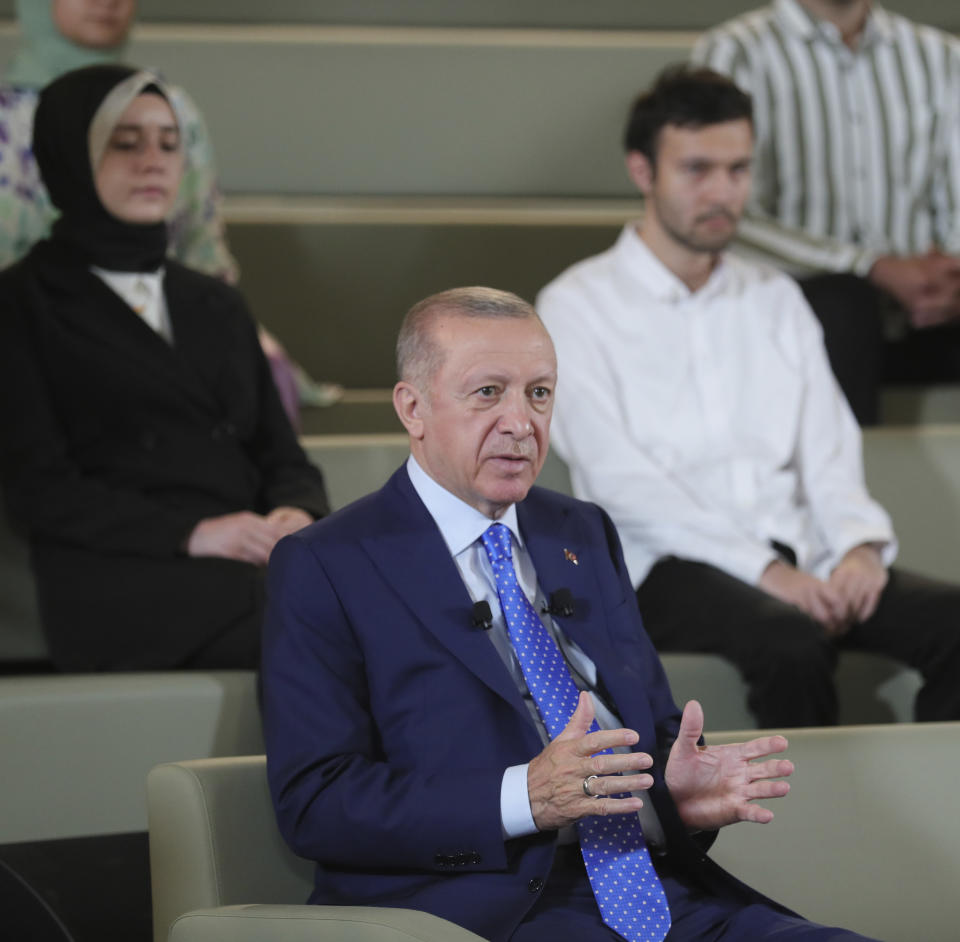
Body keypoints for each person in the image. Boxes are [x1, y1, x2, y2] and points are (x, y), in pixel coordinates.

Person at [262, 285, 879, 941]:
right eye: (487, 393)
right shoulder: (326, 564)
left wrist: (675, 798)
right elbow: (317, 803)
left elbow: (656, 732)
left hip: (660, 896)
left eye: (539, 393)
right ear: (412, 408)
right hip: (477, 912)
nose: (521, 422)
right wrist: (523, 796)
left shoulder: (581, 532)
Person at [536, 66, 960, 729]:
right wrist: (770, 575)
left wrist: (855, 549)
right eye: (698, 170)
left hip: (796, 547)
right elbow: (623, 485)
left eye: (737, 170)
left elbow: (828, 452)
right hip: (662, 566)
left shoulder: (776, 298)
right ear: (643, 171)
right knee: (788, 640)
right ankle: (807, 830)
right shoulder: (575, 306)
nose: (722, 193)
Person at [0, 64, 329, 672]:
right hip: (119, 578)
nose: (153, 161)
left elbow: (282, 456)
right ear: (68, 154)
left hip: (243, 564)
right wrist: (195, 533)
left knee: (374, 599)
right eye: (125, 143)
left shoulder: (215, 300)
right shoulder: (20, 304)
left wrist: (295, 513)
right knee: (319, 621)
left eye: (169, 143)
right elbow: (39, 489)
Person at [691, 0, 960, 425]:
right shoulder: (735, 52)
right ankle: (848, 487)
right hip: (801, 306)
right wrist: (871, 266)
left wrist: (948, 277)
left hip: (926, 306)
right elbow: (726, 214)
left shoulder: (942, 57)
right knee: (843, 306)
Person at [0, 0, 236, 279]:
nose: (108, 2)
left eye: (167, 145)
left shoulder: (173, 109)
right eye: (125, 143)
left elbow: (203, 253)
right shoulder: (8, 118)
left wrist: (222, 314)